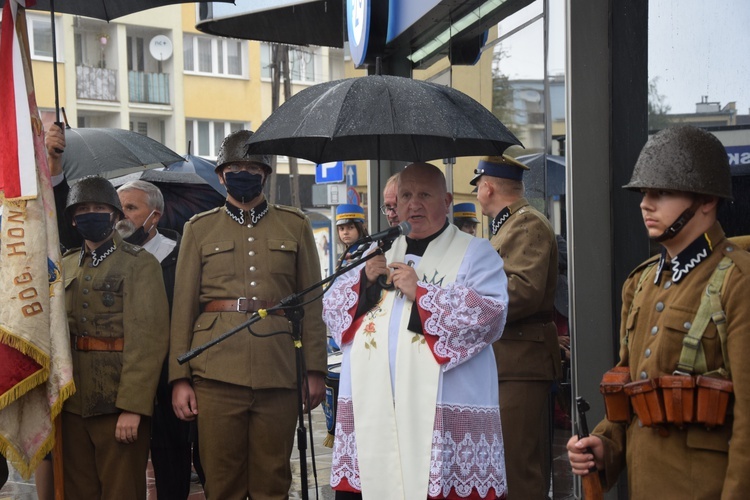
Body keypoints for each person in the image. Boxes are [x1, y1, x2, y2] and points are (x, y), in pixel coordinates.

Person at [567, 125, 750, 497]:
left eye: (662, 192)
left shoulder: (738, 281)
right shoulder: (641, 285)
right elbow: (630, 396)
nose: (645, 203)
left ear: (706, 200)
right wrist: (604, 447)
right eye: (644, 192)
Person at [323, 162, 509, 499]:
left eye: (425, 194)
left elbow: (490, 315)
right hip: (376, 408)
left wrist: (422, 293)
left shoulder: (475, 253)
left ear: (447, 200)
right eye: (406, 195)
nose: (414, 204)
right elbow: (332, 309)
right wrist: (364, 282)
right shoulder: (374, 252)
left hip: (442, 407)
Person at [168, 129, 328, 499]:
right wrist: (180, 378)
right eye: (235, 167)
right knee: (222, 481)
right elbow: (183, 309)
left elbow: (312, 304)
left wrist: (315, 370)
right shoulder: (199, 228)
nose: (244, 173)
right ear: (221, 175)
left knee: (273, 479)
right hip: (215, 372)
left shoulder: (295, 225)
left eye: (252, 167)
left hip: (279, 371)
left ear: (266, 175)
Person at [61, 175, 169, 499]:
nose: (90, 214)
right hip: (71, 403)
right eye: (83, 209)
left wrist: (133, 407)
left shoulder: (140, 264)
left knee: (122, 491)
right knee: (77, 491)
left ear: (115, 215)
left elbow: (148, 341)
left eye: (99, 207)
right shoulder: (64, 266)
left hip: (117, 403)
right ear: (72, 218)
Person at [471, 155, 560, 499]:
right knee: (503, 466)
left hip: (521, 362)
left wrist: (467, 301)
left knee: (517, 470)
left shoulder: (527, 225)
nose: (478, 193)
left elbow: (522, 291)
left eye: (478, 185)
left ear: (488, 186)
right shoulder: (508, 226)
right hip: (508, 361)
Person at [115, 179, 201, 499]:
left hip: (168, 379)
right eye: (118, 207)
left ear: (155, 215)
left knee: (172, 466)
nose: (121, 216)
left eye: (131, 208)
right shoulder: (112, 257)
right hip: (124, 378)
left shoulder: (179, 258)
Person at [334, 203, 369, 270]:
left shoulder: (368, 251)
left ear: (362, 227)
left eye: (350, 227)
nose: (345, 232)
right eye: (341, 229)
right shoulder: (344, 255)